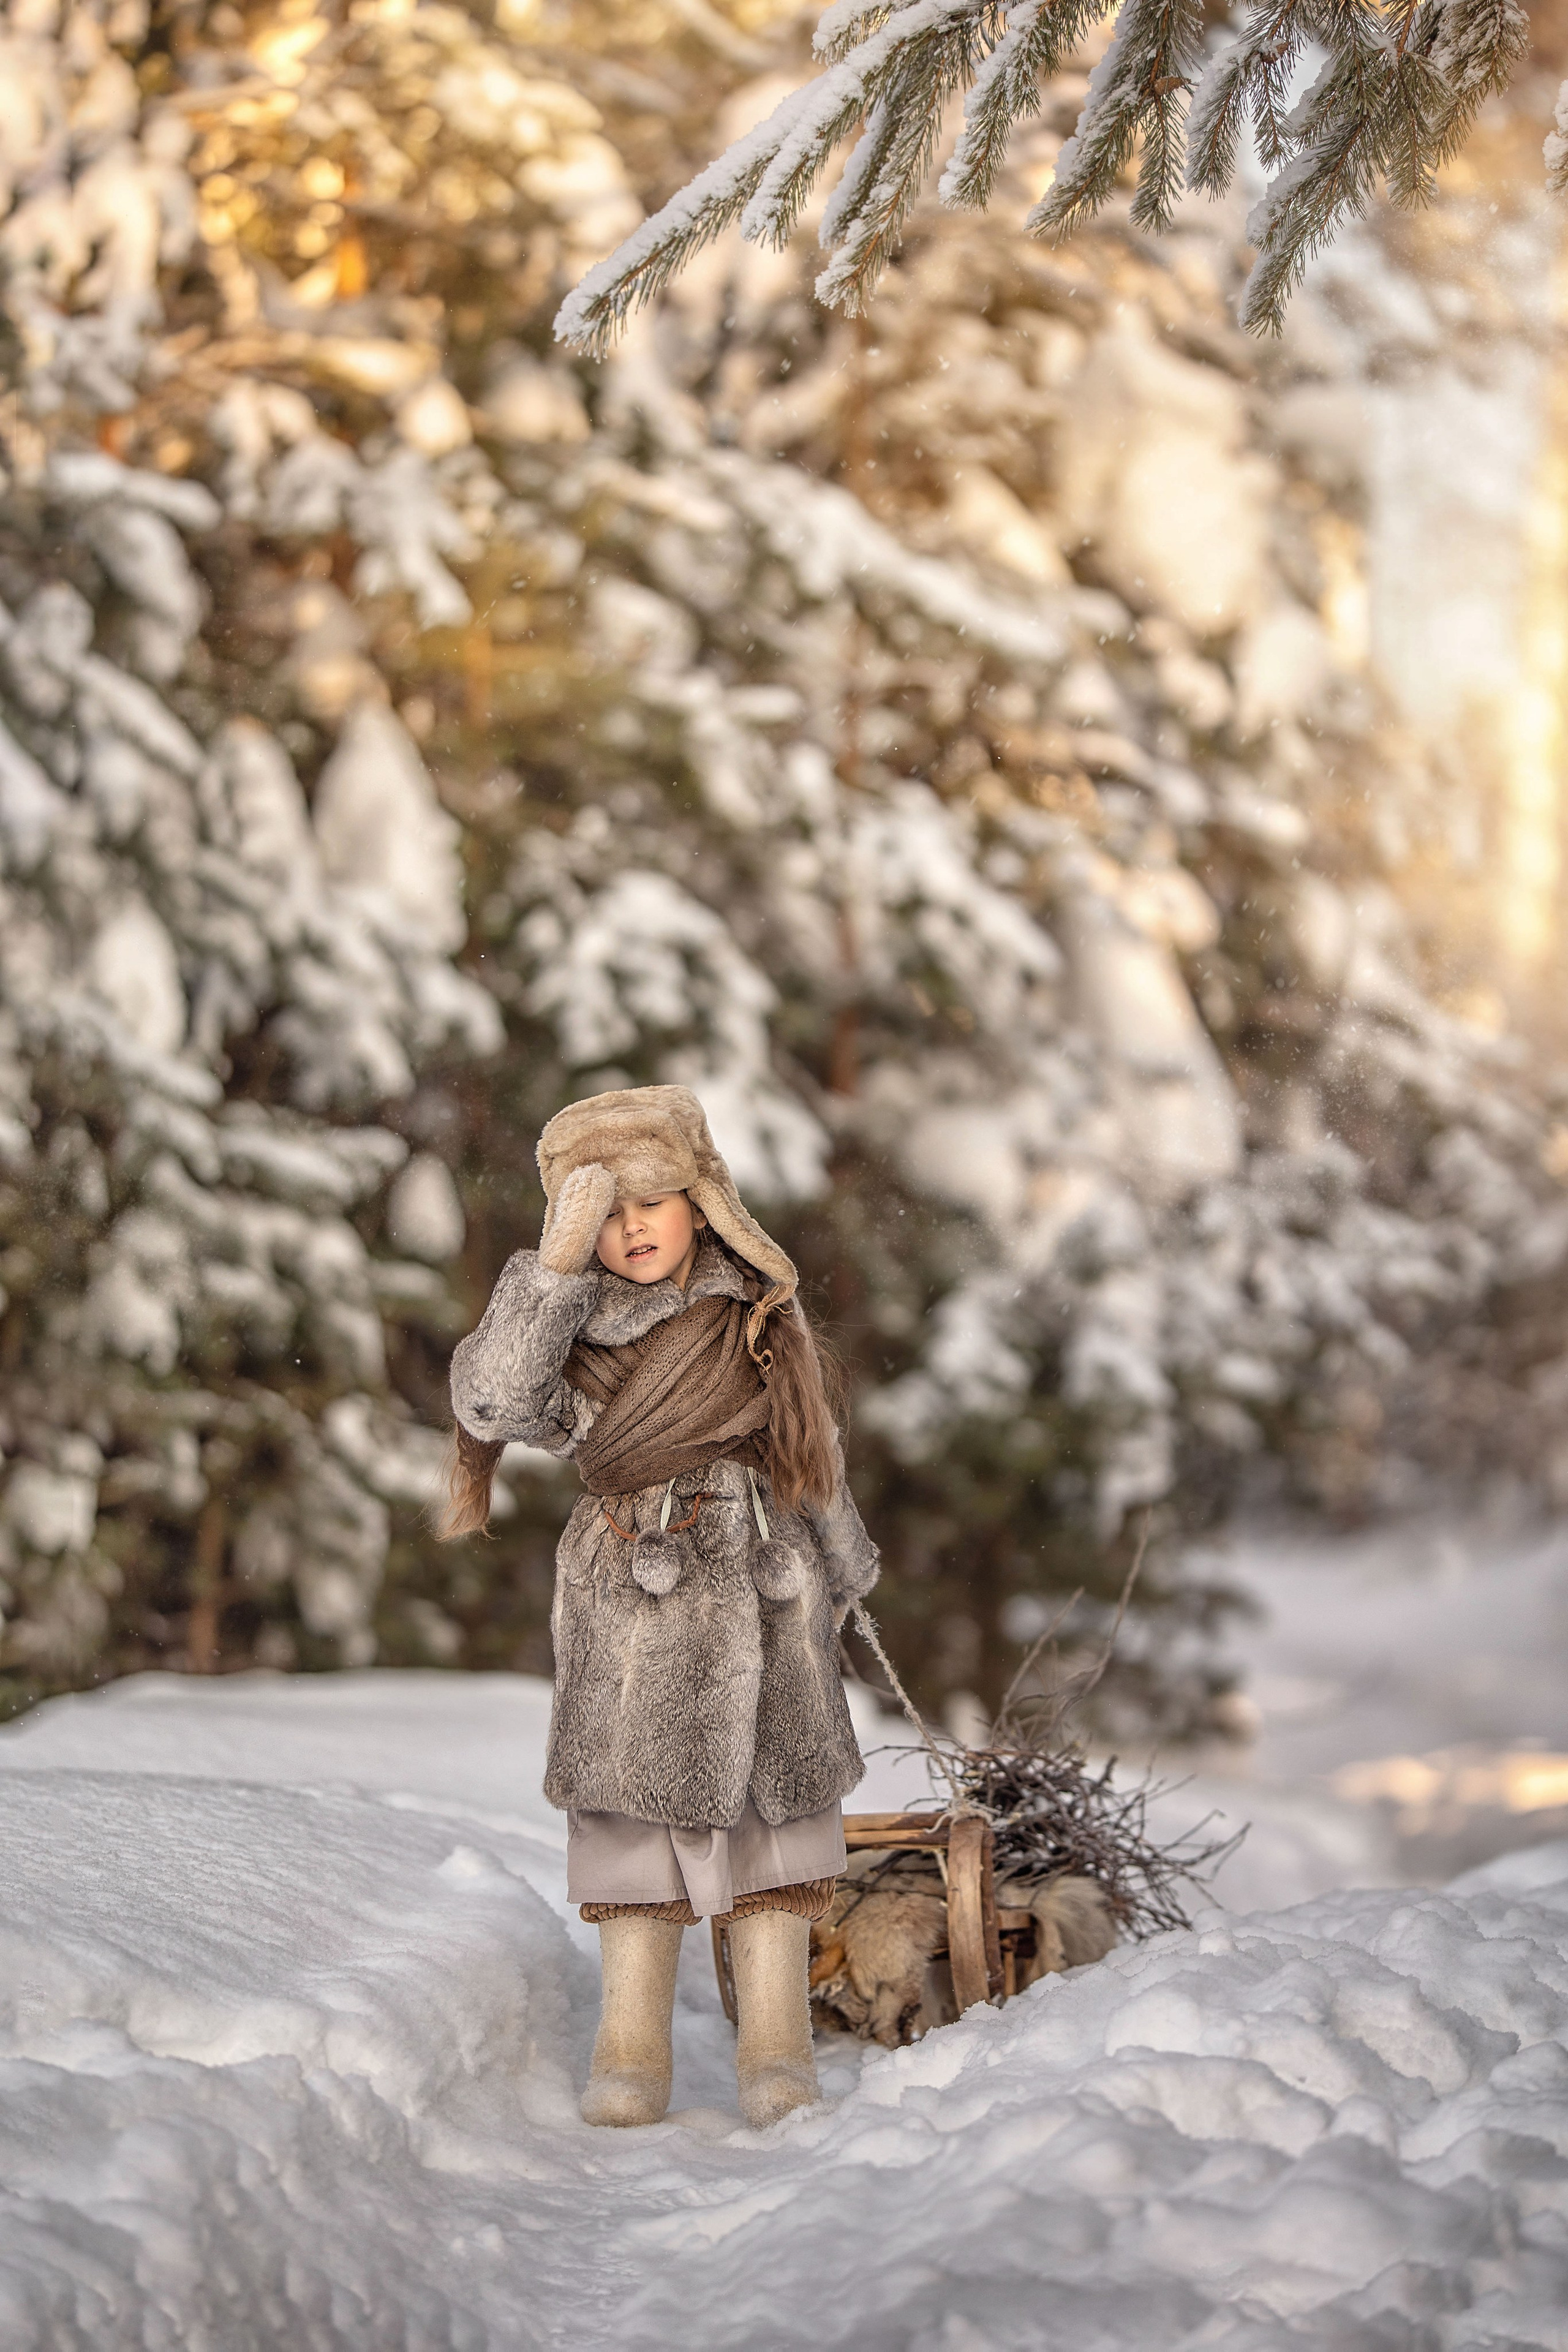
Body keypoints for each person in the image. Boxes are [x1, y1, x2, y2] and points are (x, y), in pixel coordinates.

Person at [440, 1084, 879, 2128]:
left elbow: (811, 1457)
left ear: (702, 1198)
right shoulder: (568, 1323)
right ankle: (630, 2051)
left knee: (776, 1818)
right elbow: (491, 1403)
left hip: (764, 1573)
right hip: (632, 1586)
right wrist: (548, 1274)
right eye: (604, 1210)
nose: (631, 1228)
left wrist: (845, 1565)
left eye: (651, 1200)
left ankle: (778, 2052)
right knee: (634, 1818)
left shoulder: (761, 1312)